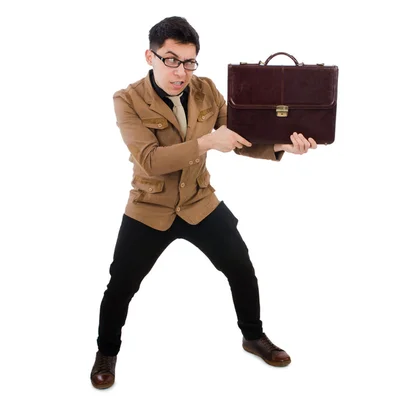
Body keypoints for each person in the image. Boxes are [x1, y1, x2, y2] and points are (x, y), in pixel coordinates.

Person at [91, 16, 318, 389]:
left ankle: (253, 336)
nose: (182, 71)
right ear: (150, 56)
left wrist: (282, 146)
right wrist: (207, 142)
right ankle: (106, 353)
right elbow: (150, 159)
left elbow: (239, 136)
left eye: (189, 61)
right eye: (171, 59)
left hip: (199, 200)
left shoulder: (206, 90)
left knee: (240, 267)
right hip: (150, 207)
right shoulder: (127, 100)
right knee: (121, 284)